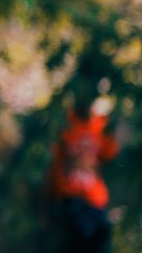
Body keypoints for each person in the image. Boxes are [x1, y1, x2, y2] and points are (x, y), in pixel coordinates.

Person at [44, 86, 119, 253]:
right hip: (69, 196)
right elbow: (54, 159)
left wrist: (113, 129)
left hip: (94, 200)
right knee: (81, 230)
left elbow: (110, 153)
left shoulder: (101, 125)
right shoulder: (66, 122)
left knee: (101, 232)